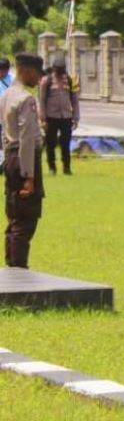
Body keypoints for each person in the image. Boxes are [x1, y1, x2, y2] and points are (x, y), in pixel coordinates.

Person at [4, 54, 44, 269]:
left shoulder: (7, 95)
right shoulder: (25, 99)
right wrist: (29, 176)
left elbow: (5, 132)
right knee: (26, 219)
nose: (38, 79)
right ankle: (19, 272)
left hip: (11, 156)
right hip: (24, 158)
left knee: (14, 217)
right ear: (27, 71)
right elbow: (27, 138)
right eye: (37, 74)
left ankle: (12, 268)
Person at [38, 54, 79, 177]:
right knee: (50, 144)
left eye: (62, 69)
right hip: (51, 117)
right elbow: (42, 100)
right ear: (54, 68)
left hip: (66, 117)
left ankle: (66, 167)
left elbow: (75, 100)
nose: (60, 71)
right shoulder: (46, 80)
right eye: (58, 69)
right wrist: (43, 119)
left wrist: (76, 117)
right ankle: (52, 168)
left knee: (66, 143)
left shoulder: (70, 80)